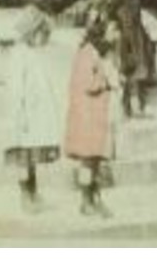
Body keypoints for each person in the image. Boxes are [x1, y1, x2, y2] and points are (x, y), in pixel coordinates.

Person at [5, 7, 61, 212]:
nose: (44, 39)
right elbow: (17, 88)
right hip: (24, 115)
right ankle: (25, 196)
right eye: (42, 34)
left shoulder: (32, 54)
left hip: (34, 113)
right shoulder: (20, 55)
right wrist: (21, 115)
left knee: (31, 157)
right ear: (32, 33)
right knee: (23, 159)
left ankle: (34, 192)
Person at [64, 16, 118, 217]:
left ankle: (94, 200)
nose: (116, 35)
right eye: (113, 31)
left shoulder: (93, 53)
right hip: (86, 119)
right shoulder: (88, 55)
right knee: (88, 161)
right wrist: (107, 82)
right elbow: (88, 83)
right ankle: (86, 201)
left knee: (93, 161)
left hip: (92, 116)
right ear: (101, 34)